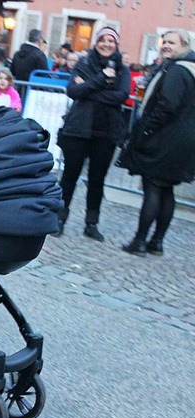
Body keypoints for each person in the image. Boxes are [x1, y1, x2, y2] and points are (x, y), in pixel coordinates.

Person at [118, 29, 195, 256]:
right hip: (182, 139)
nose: (166, 46)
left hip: (165, 138)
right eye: (164, 41)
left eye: (172, 42)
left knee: (153, 187)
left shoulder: (178, 70)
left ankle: (140, 241)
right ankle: (156, 242)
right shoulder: (188, 68)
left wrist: (146, 129)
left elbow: (167, 105)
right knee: (166, 189)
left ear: (185, 44)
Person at [55, 27, 130, 241]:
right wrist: (100, 80)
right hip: (78, 130)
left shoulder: (122, 70)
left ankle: (91, 223)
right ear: (96, 42)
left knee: (97, 180)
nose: (106, 44)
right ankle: (59, 219)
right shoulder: (84, 63)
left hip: (106, 133)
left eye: (111, 41)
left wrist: (88, 88)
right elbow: (73, 91)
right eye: (102, 40)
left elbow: (121, 96)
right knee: (69, 177)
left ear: (116, 45)